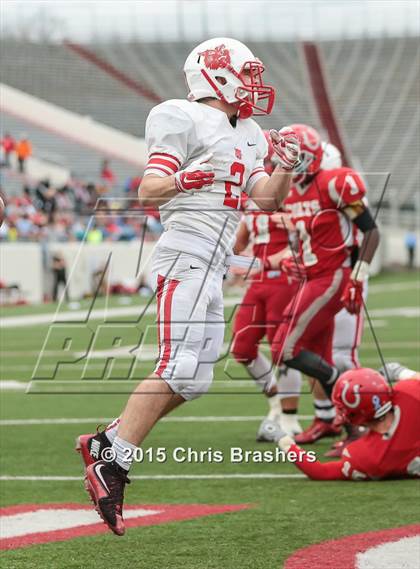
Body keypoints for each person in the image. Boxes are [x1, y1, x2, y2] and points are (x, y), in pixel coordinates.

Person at [76, 37, 301, 536]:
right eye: (247, 74)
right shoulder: (180, 115)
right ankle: (113, 462)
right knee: (176, 363)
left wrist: (285, 166)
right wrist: (188, 178)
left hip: (216, 258)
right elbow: (149, 189)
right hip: (185, 249)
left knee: (196, 379)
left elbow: (265, 200)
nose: (254, 85)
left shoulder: (251, 133)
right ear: (217, 76)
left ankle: (108, 441)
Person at [269, 124, 380, 444]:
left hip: (332, 277)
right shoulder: (288, 189)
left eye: (294, 156)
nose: (288, 161)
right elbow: (310, 238)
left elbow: (371, 232)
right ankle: (351, 430)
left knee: (284, 348)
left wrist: (357, 276)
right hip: (311, 276)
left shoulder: (335, 183)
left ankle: (340, 388)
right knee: (320, 351)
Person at [231, 133, 303, 439]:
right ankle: (275, 401)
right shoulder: (254, 202)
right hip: (258, 283)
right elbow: (240, 243)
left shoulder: (295, 200)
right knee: (242, 348)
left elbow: (310, 238)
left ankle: (290, 418)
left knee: (281, 351)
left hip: (284, 281)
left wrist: (281, 257)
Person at [275, 367, 420, 480]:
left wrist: (286, 444)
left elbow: (320, 471)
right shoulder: (409, 393)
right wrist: (401, 372)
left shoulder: (367, 456)